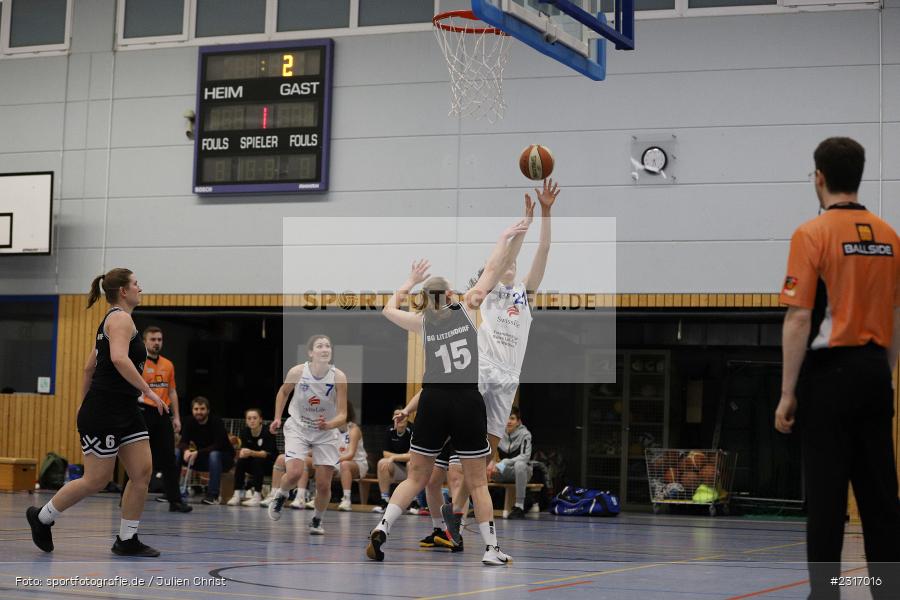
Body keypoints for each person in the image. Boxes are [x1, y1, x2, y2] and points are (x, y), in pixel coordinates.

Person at [774, 137, 900, 600]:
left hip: (829, 375)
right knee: (881, 499)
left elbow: (800, 317)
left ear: (819, 178)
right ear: (859, 176)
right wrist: (881, 369)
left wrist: (788, 393)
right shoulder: (889, 236)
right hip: (874, 373)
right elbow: (896, 315)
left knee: (827, 501)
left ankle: (825, 594)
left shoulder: (812, 234)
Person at [366, 216, 529, 566]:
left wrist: (409, 281)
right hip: (466, 400)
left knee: (416, 476)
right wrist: (504, 236)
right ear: (451, 295)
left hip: (434, 400)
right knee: (477, 482)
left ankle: (383, 526)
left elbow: (388, 308)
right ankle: (490, 550)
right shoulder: (467, 307)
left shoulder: (423, 322)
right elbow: (496, 266)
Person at [26, 268, 166, 557]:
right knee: (96, 480)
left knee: (141, 472)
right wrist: (149, 391)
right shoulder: (120, 319)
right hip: (104, 410)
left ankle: (127, 539)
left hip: (125, 409)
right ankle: (42, 517)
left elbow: (90, 366)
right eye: (136, 284)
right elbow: (117, 358)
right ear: (124, 292)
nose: (141, 287)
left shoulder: (120, 322)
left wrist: (80, 401)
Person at [445, 179, 557, 540]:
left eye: (514, 265)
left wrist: (544, 212)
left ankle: (456, 515)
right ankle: (447, 464)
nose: (512, 266)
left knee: (487, 454)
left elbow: (542, 252)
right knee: (468, 449)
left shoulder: (525, 296)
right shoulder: (489, 292)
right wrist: (518, 228)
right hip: (483, 367)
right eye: (506, 264)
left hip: (509, 376)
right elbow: (507, 258)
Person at [268, 334, 348, 535]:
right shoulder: (297, 371)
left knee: (323, 484)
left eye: (328, 346)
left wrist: (329, 424)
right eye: (320, 346)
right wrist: (277, 417)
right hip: (299, 427)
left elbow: (343, 415)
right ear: (311, 352)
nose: (324, 349)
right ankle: (281, 495)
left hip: (325, 431)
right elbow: (283, 392)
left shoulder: (339, 376)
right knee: (294, 472)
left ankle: (317, 521)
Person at [138, 326, 191, 513]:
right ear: (145, 341)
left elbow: (172, 391)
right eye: (152, 339)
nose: (156, 343)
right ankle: (126, 499)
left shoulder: (168, 364)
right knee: (139, 458)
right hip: (143, 412)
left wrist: (176, 417)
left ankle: (175, 501)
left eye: (159, 339)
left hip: (162, 414)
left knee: (170, 458)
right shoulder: (138, 362)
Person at [176, 397, 235, 505]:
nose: (199, 412)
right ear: (192, 410)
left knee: (214, 454)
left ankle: (213, 495)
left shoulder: (216, 421)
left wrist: (197, 453)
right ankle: (172, 492)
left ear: (208, 410)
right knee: (177, 452)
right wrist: (186, 451)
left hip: (223, 459)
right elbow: (183, 442)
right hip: (203, 458)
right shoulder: (189, 421)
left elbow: (219, 445)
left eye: (202, 409)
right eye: (196, 409)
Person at [489, 406, 533, 519]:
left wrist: (504, 462)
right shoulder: (499, 435)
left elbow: (525, 457)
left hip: (523, 471)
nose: (509, 421)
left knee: (520, 464)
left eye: (512, 418)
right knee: (484, 467)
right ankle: (478, 506)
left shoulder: (525, 434)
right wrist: (491, 464)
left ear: (518, 422)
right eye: (507, 418)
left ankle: (519, 507)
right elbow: (491, 454)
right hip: (505, 472)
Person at [226, 408, 277, 507]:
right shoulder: (245, 432)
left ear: (260, 419)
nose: (252, 421)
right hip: (253, 465)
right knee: (241, 461)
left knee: (258, 461)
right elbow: (244, 449)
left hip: (270, 465)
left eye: (254, 418)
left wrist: (251, 452)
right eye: (249, 418)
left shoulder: (268, 431)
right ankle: (236, 494)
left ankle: (257, 496)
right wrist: (242, 452)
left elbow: (266, 454)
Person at [371, 407, 413, 513]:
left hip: (412, 471)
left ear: (407, 417)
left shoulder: (413, 430)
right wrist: (401, 456)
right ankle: (384, 501)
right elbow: (385, 454)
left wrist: (394, 457)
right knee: (382, 463)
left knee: (411, 463)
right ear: (393, 418)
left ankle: (413, 503)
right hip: (397, 470)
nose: (399, 418)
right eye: (396, 415)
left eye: (401, 415)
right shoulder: (389, 430)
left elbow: (412, 456)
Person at [336, 402, 368, 511]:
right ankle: (316, 496)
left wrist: (333, 460)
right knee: (322, 464)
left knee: (345, 465)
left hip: (357, 464)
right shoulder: (331, 429)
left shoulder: (353, 429)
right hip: (337, 462)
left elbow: (350, 454)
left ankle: (346, 500)